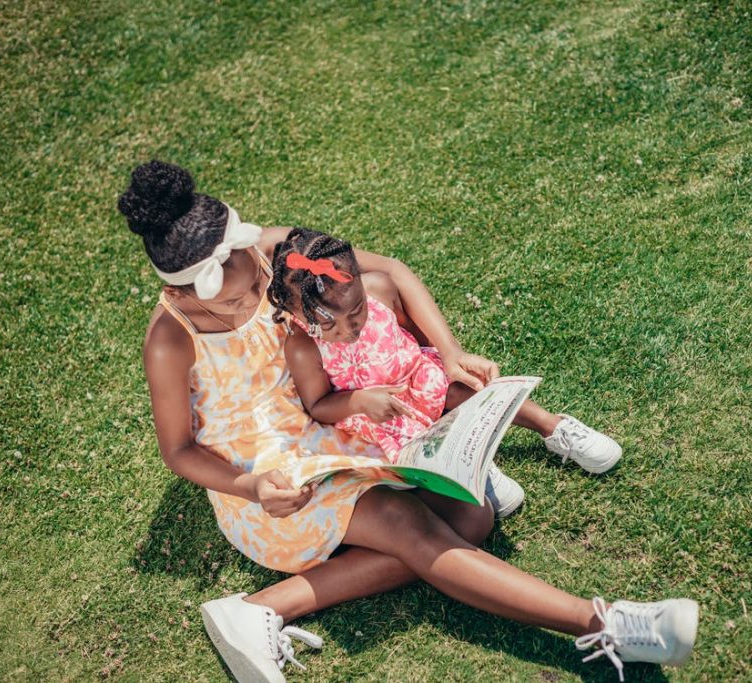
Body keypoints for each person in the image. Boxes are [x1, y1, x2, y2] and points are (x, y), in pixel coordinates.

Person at [118, 160, 699, 683]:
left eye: (253, 283)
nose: (249, 302)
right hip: (265, 475)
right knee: (409, 527)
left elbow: (388, 272)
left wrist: (447, 354)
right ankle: (607, 625)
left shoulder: (277, 252)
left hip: (334, 427)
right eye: (229, 302)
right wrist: (251, 486)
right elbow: (179, 451)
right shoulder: (170, 339)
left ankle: (264, 607)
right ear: (180, 287)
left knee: (472, 517)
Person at [264, 227, 623, 496]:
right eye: (328, 324)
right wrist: (359, 401)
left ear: (361, 281)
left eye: (357, 311)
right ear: (295, 312)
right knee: (422, 453)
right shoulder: (302, 347)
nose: (350, 328)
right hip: (383, 415)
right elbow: (318, 406)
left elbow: (413, 337)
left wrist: (447, 357)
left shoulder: (380, 289)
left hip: (418, 376)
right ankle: (474, 467)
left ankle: (553, 427)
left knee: (467, 390)